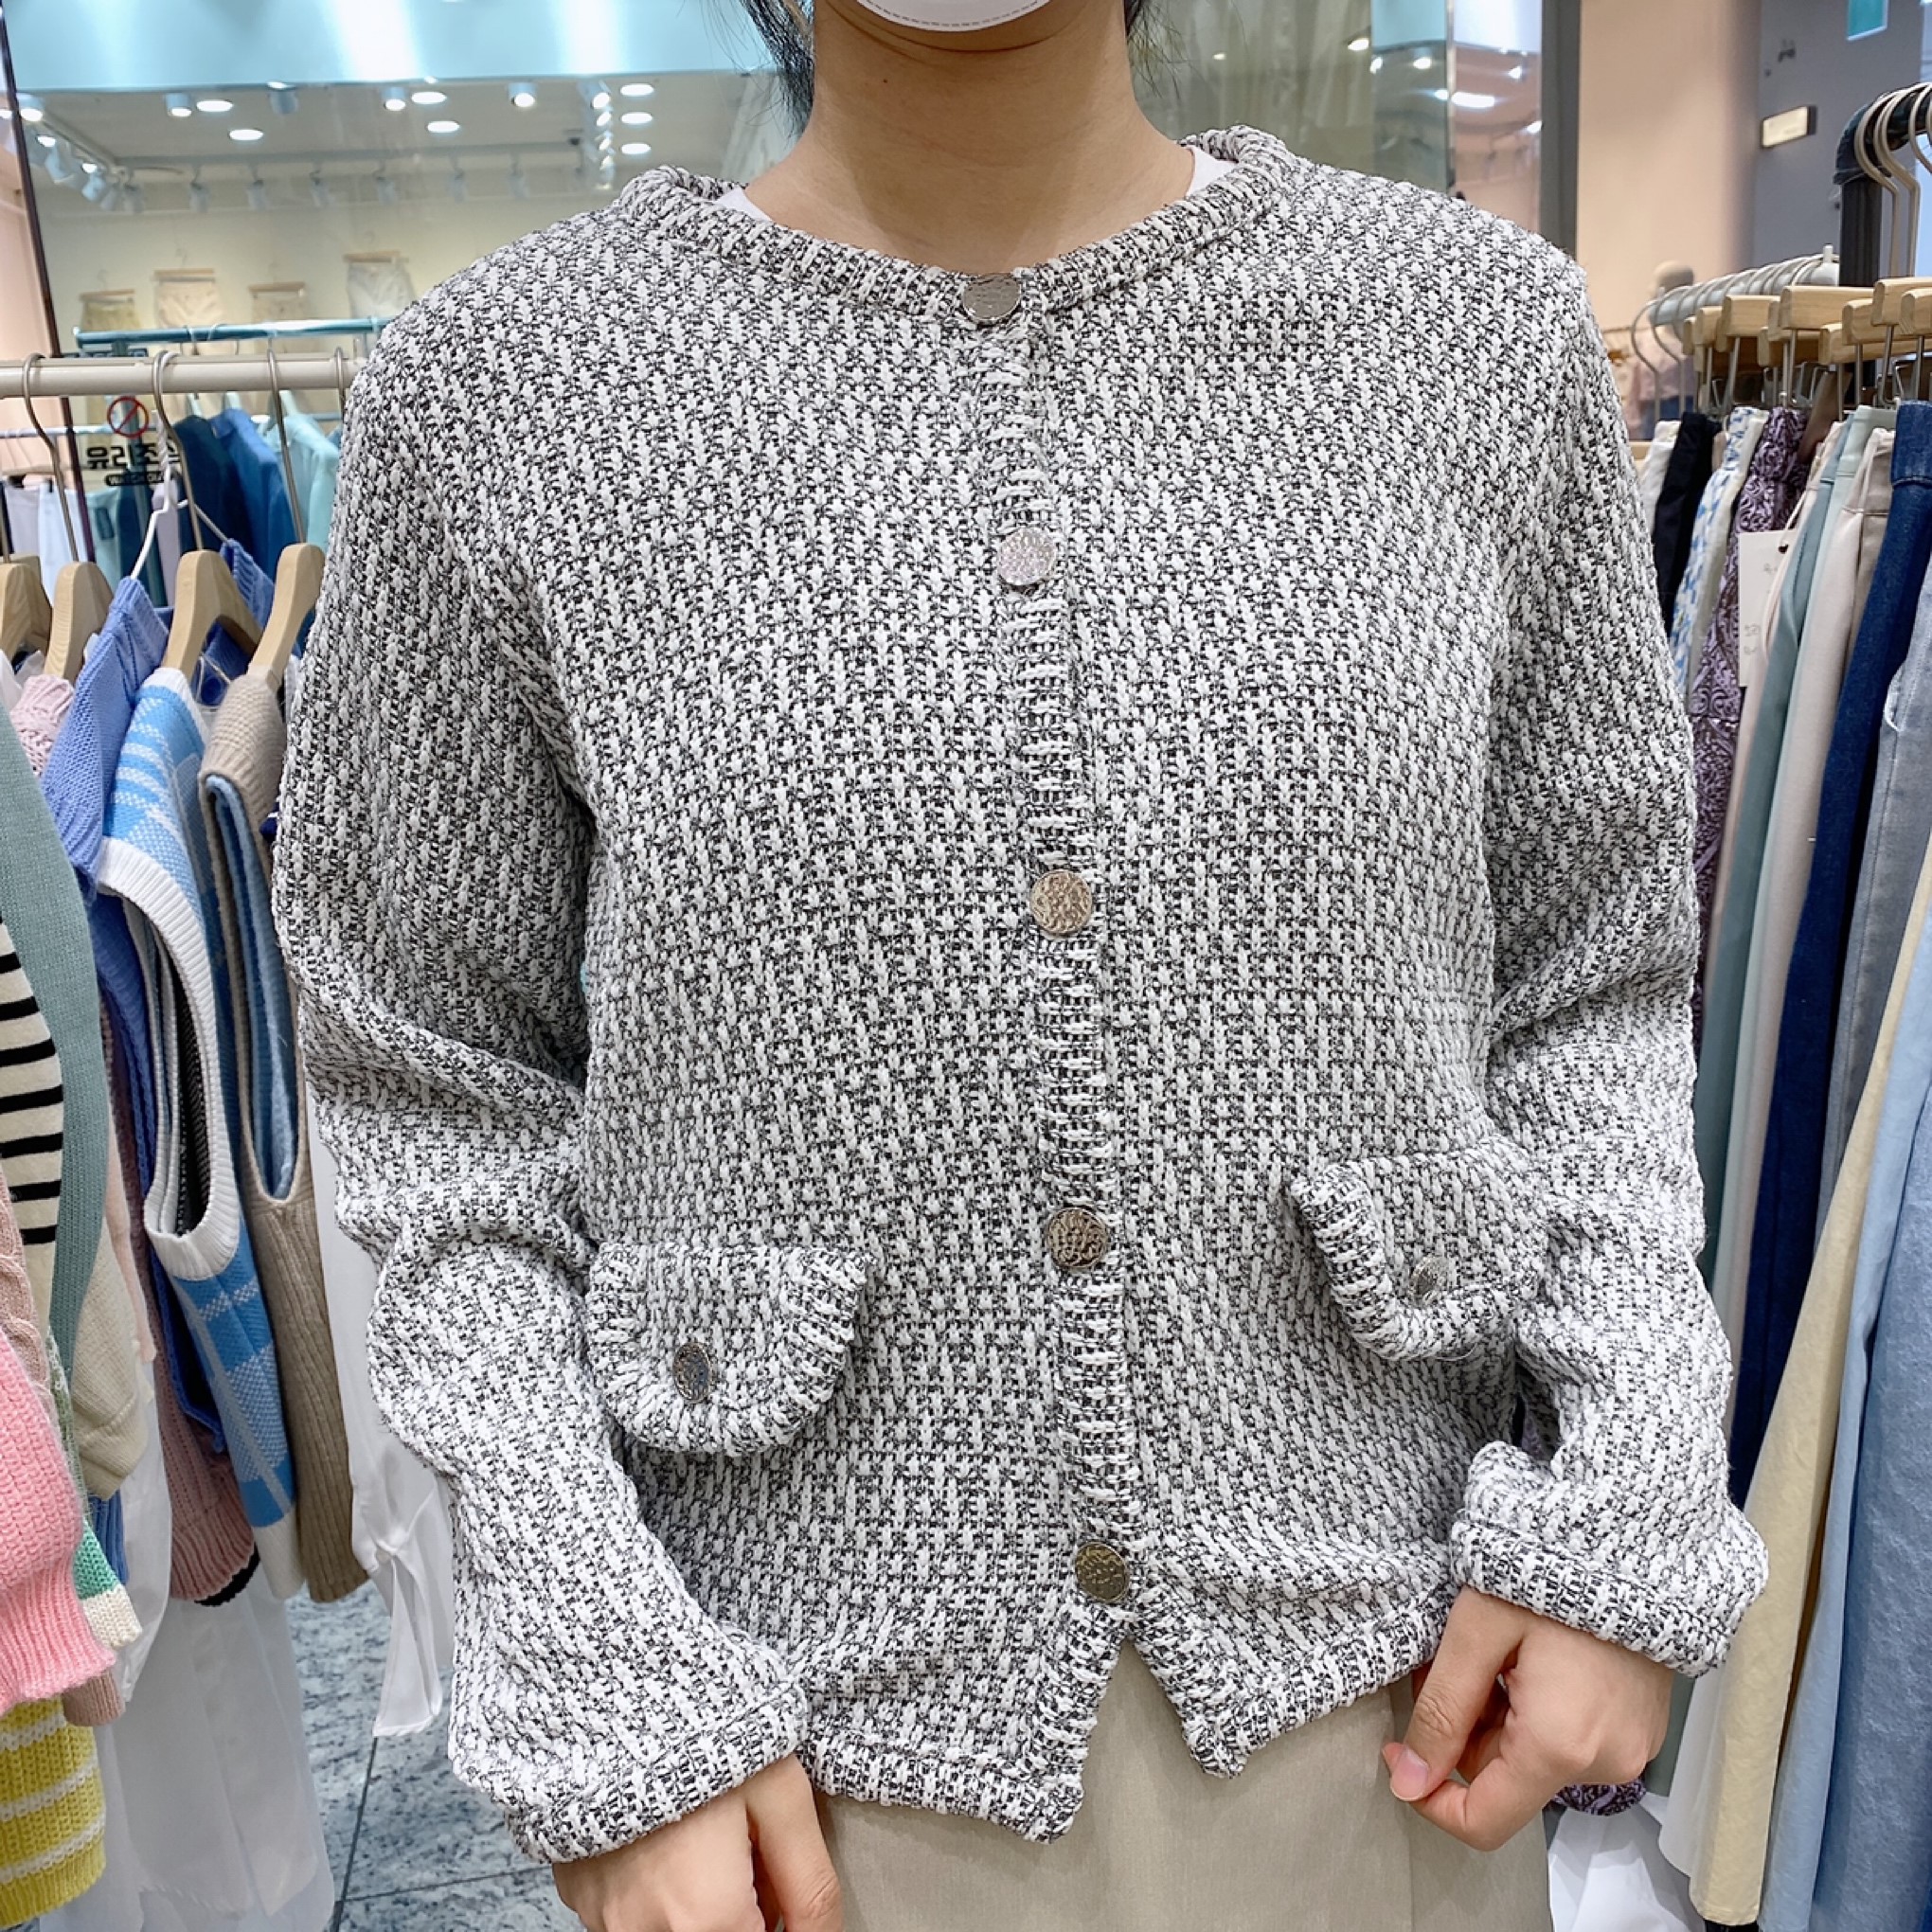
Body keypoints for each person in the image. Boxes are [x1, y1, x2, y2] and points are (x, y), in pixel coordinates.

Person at [271, 2, 1770, 1928]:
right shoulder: (499, 396)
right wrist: (595, 1653)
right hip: (789, 1775)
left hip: (1396, 1708)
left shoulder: (1470, 337)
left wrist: (1631, 1481)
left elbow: (1590, 986)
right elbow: (439, 1103)